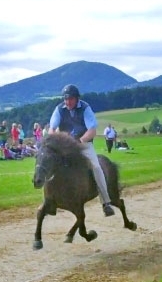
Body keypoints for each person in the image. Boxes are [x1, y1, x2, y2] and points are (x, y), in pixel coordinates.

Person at [48, 84, 115, 216]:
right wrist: (54, 140)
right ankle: (50, 200)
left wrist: (80, 141)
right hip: (66, 145)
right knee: (50, 164)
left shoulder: (85, 108)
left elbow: (92, 130)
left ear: (77, 98)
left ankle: (106, 202)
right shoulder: (59, 109)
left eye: (70, 99)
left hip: (83, 144)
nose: (68, 102)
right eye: (65, 99)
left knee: (96, 167)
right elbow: (52, 128)